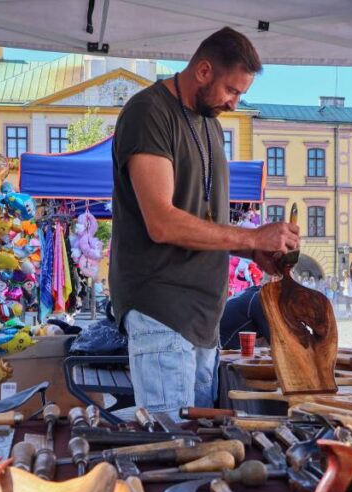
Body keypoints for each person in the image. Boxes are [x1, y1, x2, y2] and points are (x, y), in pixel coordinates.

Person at [110, 28, 300, 413]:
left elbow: (200, 218)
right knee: (172, 448)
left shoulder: (209, 123)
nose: (234, 102)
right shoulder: (149, 112)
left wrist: (251, 251)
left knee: (196, 442)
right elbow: (161, 222)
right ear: (203, 70)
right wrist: (251, 236)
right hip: (162, 310)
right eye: (231, 90)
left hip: (201, 320)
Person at [219, 283, 270, 349]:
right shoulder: (260, 300)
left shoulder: (254, 292)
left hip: (215, 339)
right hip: (221, 346)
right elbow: (274, 339)